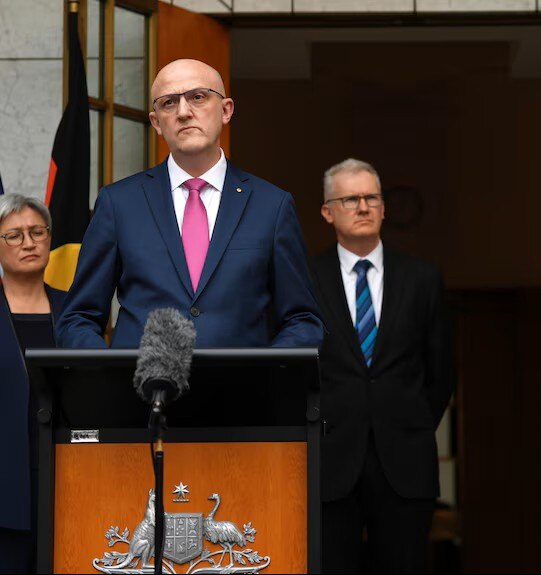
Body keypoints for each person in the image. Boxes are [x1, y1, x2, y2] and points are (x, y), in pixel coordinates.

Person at [57, 59, 322, 348]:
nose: (183, 112)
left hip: (241, 378)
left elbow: (302, 320)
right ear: (156, 122)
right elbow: (78, 318)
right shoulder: (119, 203)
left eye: (198, 97)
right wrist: (111, 371)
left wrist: (265, 371)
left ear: (226, 110)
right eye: (169, 103)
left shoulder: (271, 205)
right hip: (142, 377)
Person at [311, 159, 454, 573]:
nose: (363, 206)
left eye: (371, 197)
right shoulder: (304, 278)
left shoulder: (422, 278)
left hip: (405, 461)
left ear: (384, 208)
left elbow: (441, 372)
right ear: (327, 212)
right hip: (329, 460)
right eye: (350, 199)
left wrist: (411, 422)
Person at [0, 194, 66, 573]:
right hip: (4, 479)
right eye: (14, 235)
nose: (28, 242)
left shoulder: (75, 311)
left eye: (37, 232)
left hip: (65, 474)